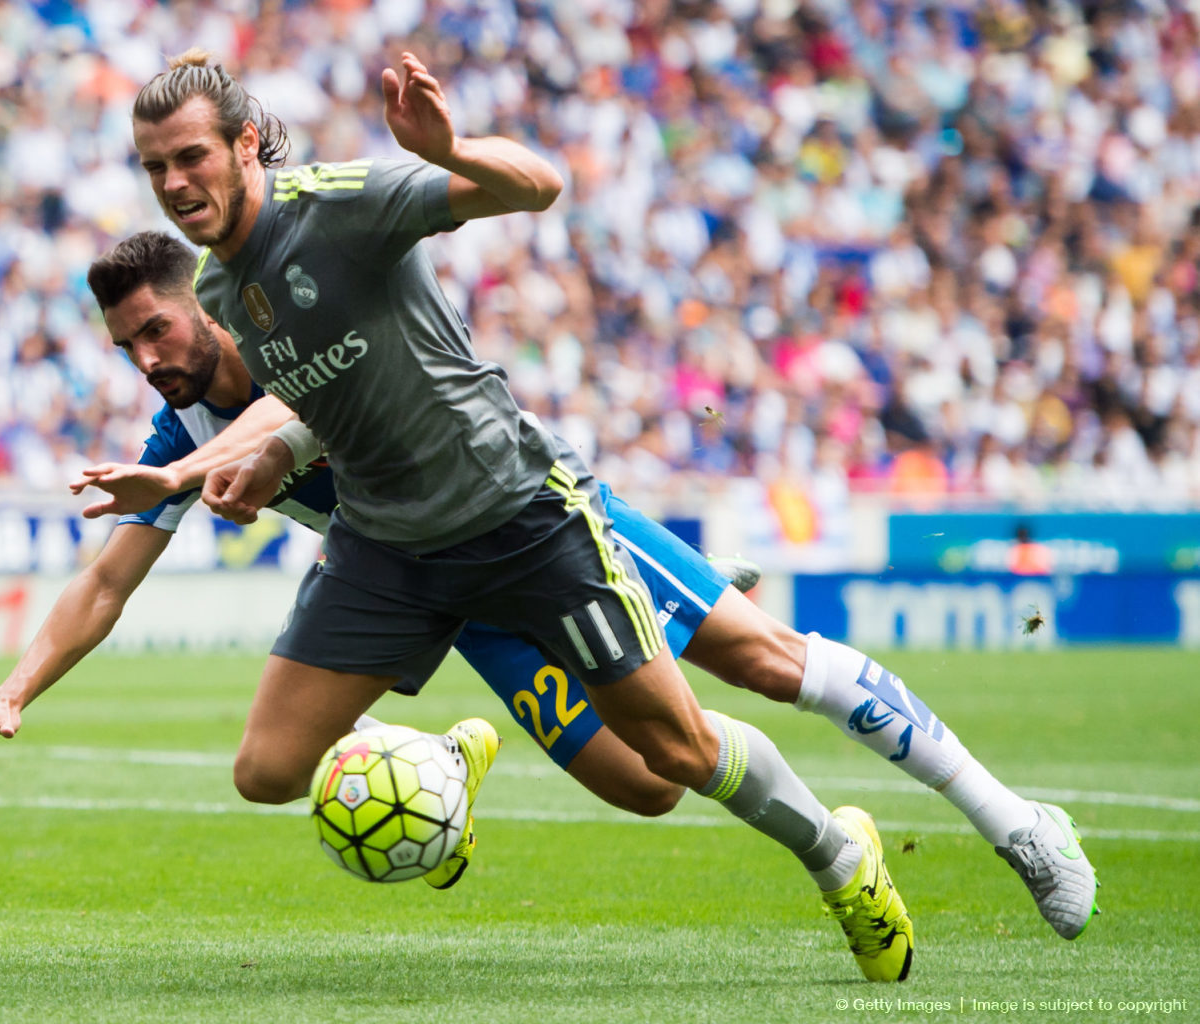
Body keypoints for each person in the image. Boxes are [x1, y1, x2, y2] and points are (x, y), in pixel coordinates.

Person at [142, 49, 1097, 963]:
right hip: (390, 547)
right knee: (267, 770)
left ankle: (998, 824)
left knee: (715, 709)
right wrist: (273, 453)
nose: (176, 181)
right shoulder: (223, 283)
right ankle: (550, 696)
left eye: (190, 156)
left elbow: (535, 185)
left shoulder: (342, 207)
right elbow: (340, 386)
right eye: (156, 168)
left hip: (517, 513)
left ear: (242, 146)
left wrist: (450, 151)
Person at [0, 230, 763, 881]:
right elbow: (104, 582)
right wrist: (11, 691)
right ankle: (454, 753)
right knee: (651, 790)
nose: (145, 360)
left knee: (677, 749)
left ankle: (680, 605)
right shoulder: (180, 434)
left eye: (156, 331)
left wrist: (182, 472)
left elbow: (301, 400)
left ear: (208, 304)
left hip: (522, 528)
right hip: (427, 586)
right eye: (126, 347)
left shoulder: (300, 347)